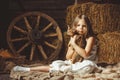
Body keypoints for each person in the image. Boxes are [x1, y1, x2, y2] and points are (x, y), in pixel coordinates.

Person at [13, 14, 100, 74]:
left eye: (84, 26)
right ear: (75, 26)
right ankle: (26, 69)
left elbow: (85, 54)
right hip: (75, 63)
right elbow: (68, 57)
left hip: (86, 62)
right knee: (57, 64)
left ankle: (63, 69)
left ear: (88, 27)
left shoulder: (90, 38)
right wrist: (73, 43)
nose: (81, 28)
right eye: (78, 25)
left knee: (88, 65)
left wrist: (73, 43)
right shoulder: (75, 37)